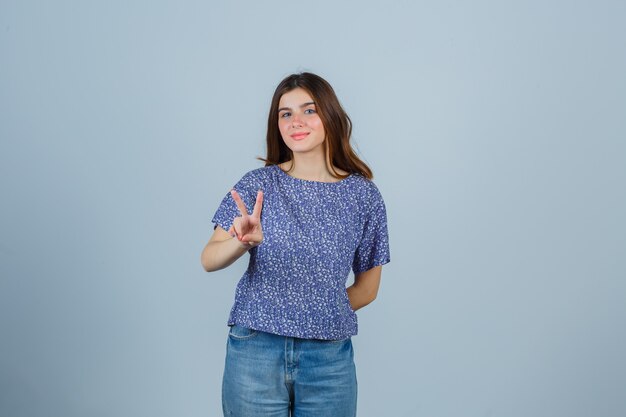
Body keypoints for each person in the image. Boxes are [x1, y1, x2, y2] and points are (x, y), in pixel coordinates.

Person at [200, 72, 390, 417]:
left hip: (328, 358)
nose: (295, 122)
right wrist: (240, 243)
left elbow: (368, 289)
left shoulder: (363, 196)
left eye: (308, 110)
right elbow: (209, 258)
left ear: (330, 116)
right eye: (285, 113)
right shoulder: (258, 185)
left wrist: (313, 309)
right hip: (256, 350)